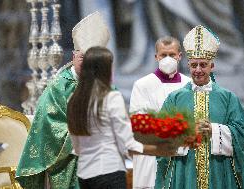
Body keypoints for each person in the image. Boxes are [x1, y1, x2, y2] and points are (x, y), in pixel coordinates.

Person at [15, 12, 110, 189]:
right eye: (83, 58)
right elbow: (48, 124)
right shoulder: (59, 86)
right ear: (74, 56)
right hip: (70, 161)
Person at [155, 25, 244, 189]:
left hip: (218, 171)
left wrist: (215, 130)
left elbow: (241, 134)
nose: (198, 70)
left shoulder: (228, 98)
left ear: (212, 66)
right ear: (188, 65)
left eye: (203, 65)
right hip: (185, 172)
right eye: (194, 65)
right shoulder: (175, 98)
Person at [67, 46, 175, 189]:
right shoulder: (111, 97)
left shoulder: (74, 100)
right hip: (109, 172)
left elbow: (77, 147)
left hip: (84, 174)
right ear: (103, 70)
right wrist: (159, 150)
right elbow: (128, 144)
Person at [129, 36, 191, 189]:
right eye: (163, 55)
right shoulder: (142, 85)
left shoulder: (189, 85)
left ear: (179, 56)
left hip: (182, 156)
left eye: (172, 54)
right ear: (156, 56)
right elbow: (139, 124)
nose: (168, 59)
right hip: (152, 158)